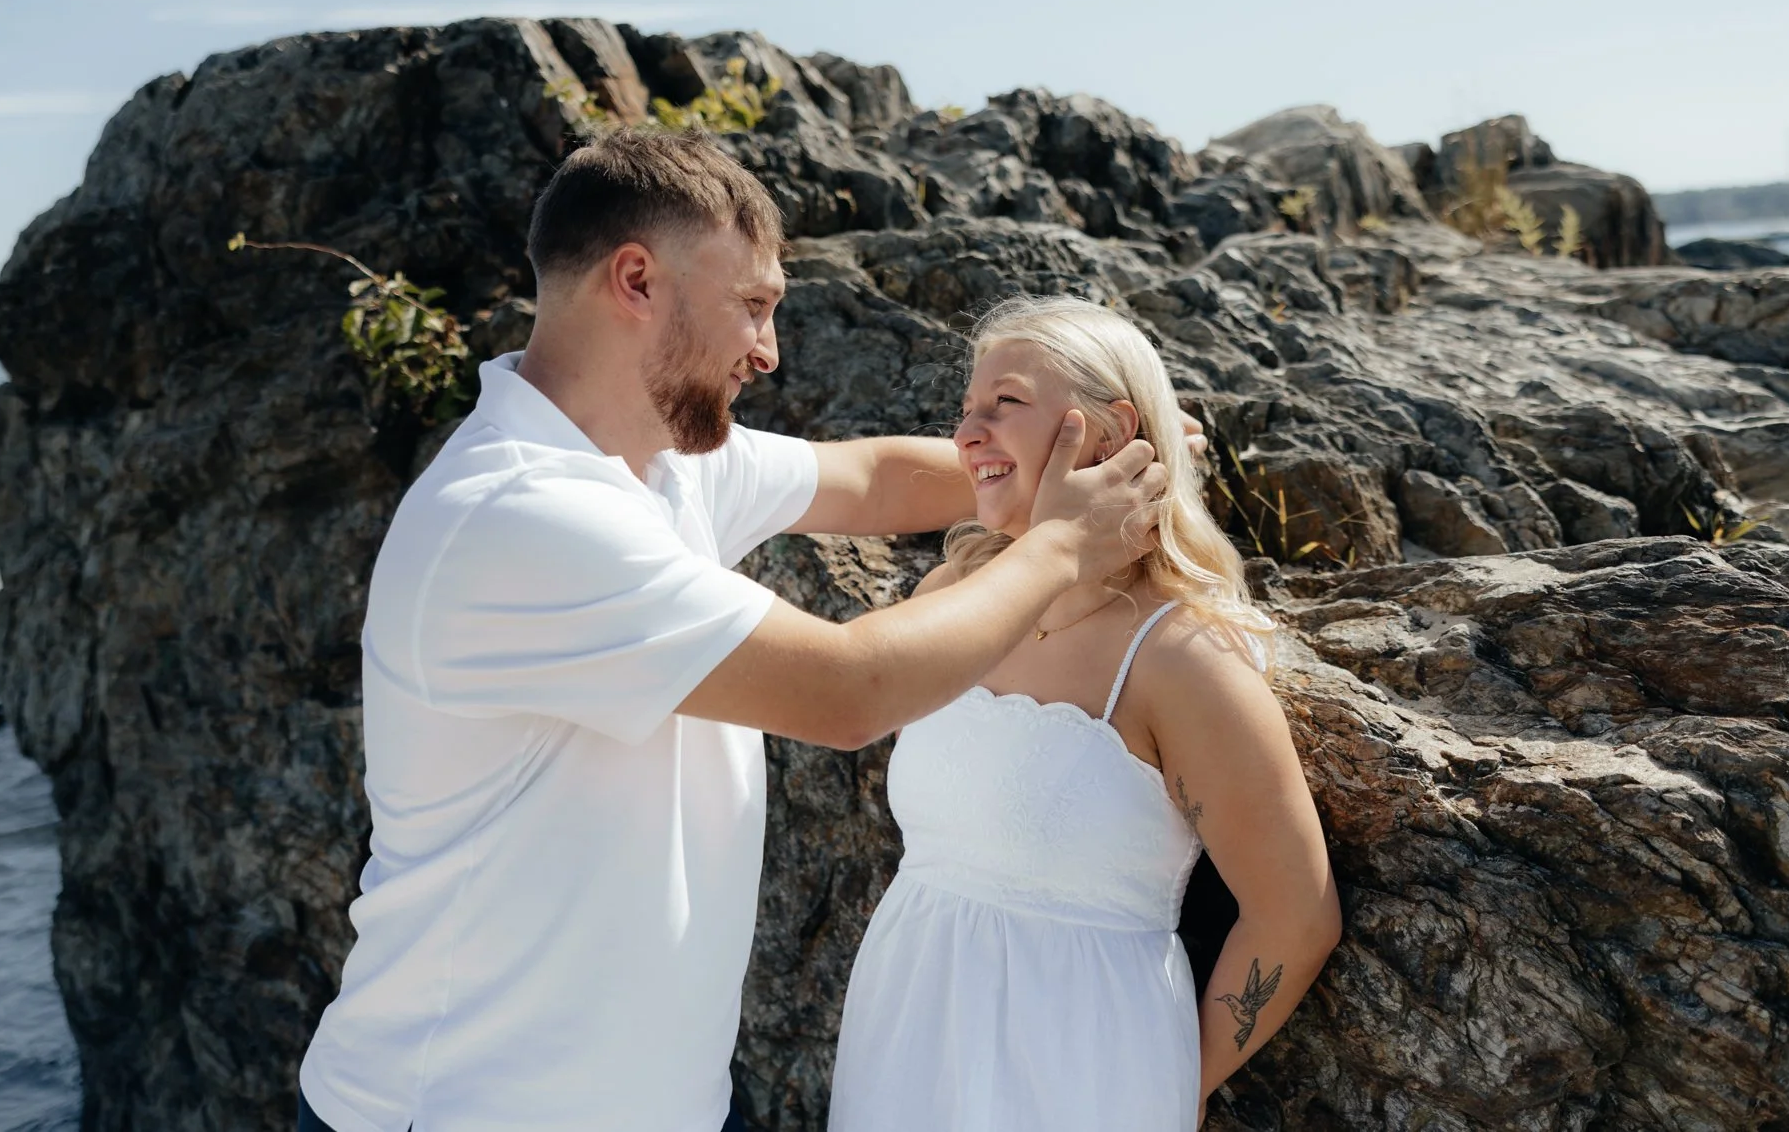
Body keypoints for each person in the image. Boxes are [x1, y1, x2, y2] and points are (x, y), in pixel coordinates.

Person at [295, 128, 1181, 1132]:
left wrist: (1072, 467)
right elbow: (847, 692)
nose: (767, 350)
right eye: (751, 307)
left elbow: (872, 478)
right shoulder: (517, 514)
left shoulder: (658, 461)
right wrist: (1062, 546)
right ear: (636, 279)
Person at [827, 295, 1342, 1132]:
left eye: (1006, 404)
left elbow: (1297, 913)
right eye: (966, 411)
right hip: (903, 1040)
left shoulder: (1182, 660)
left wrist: (1169, 1080)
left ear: (1108, 432)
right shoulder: (955, 594)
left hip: (1083, 1077)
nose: (966, 434)